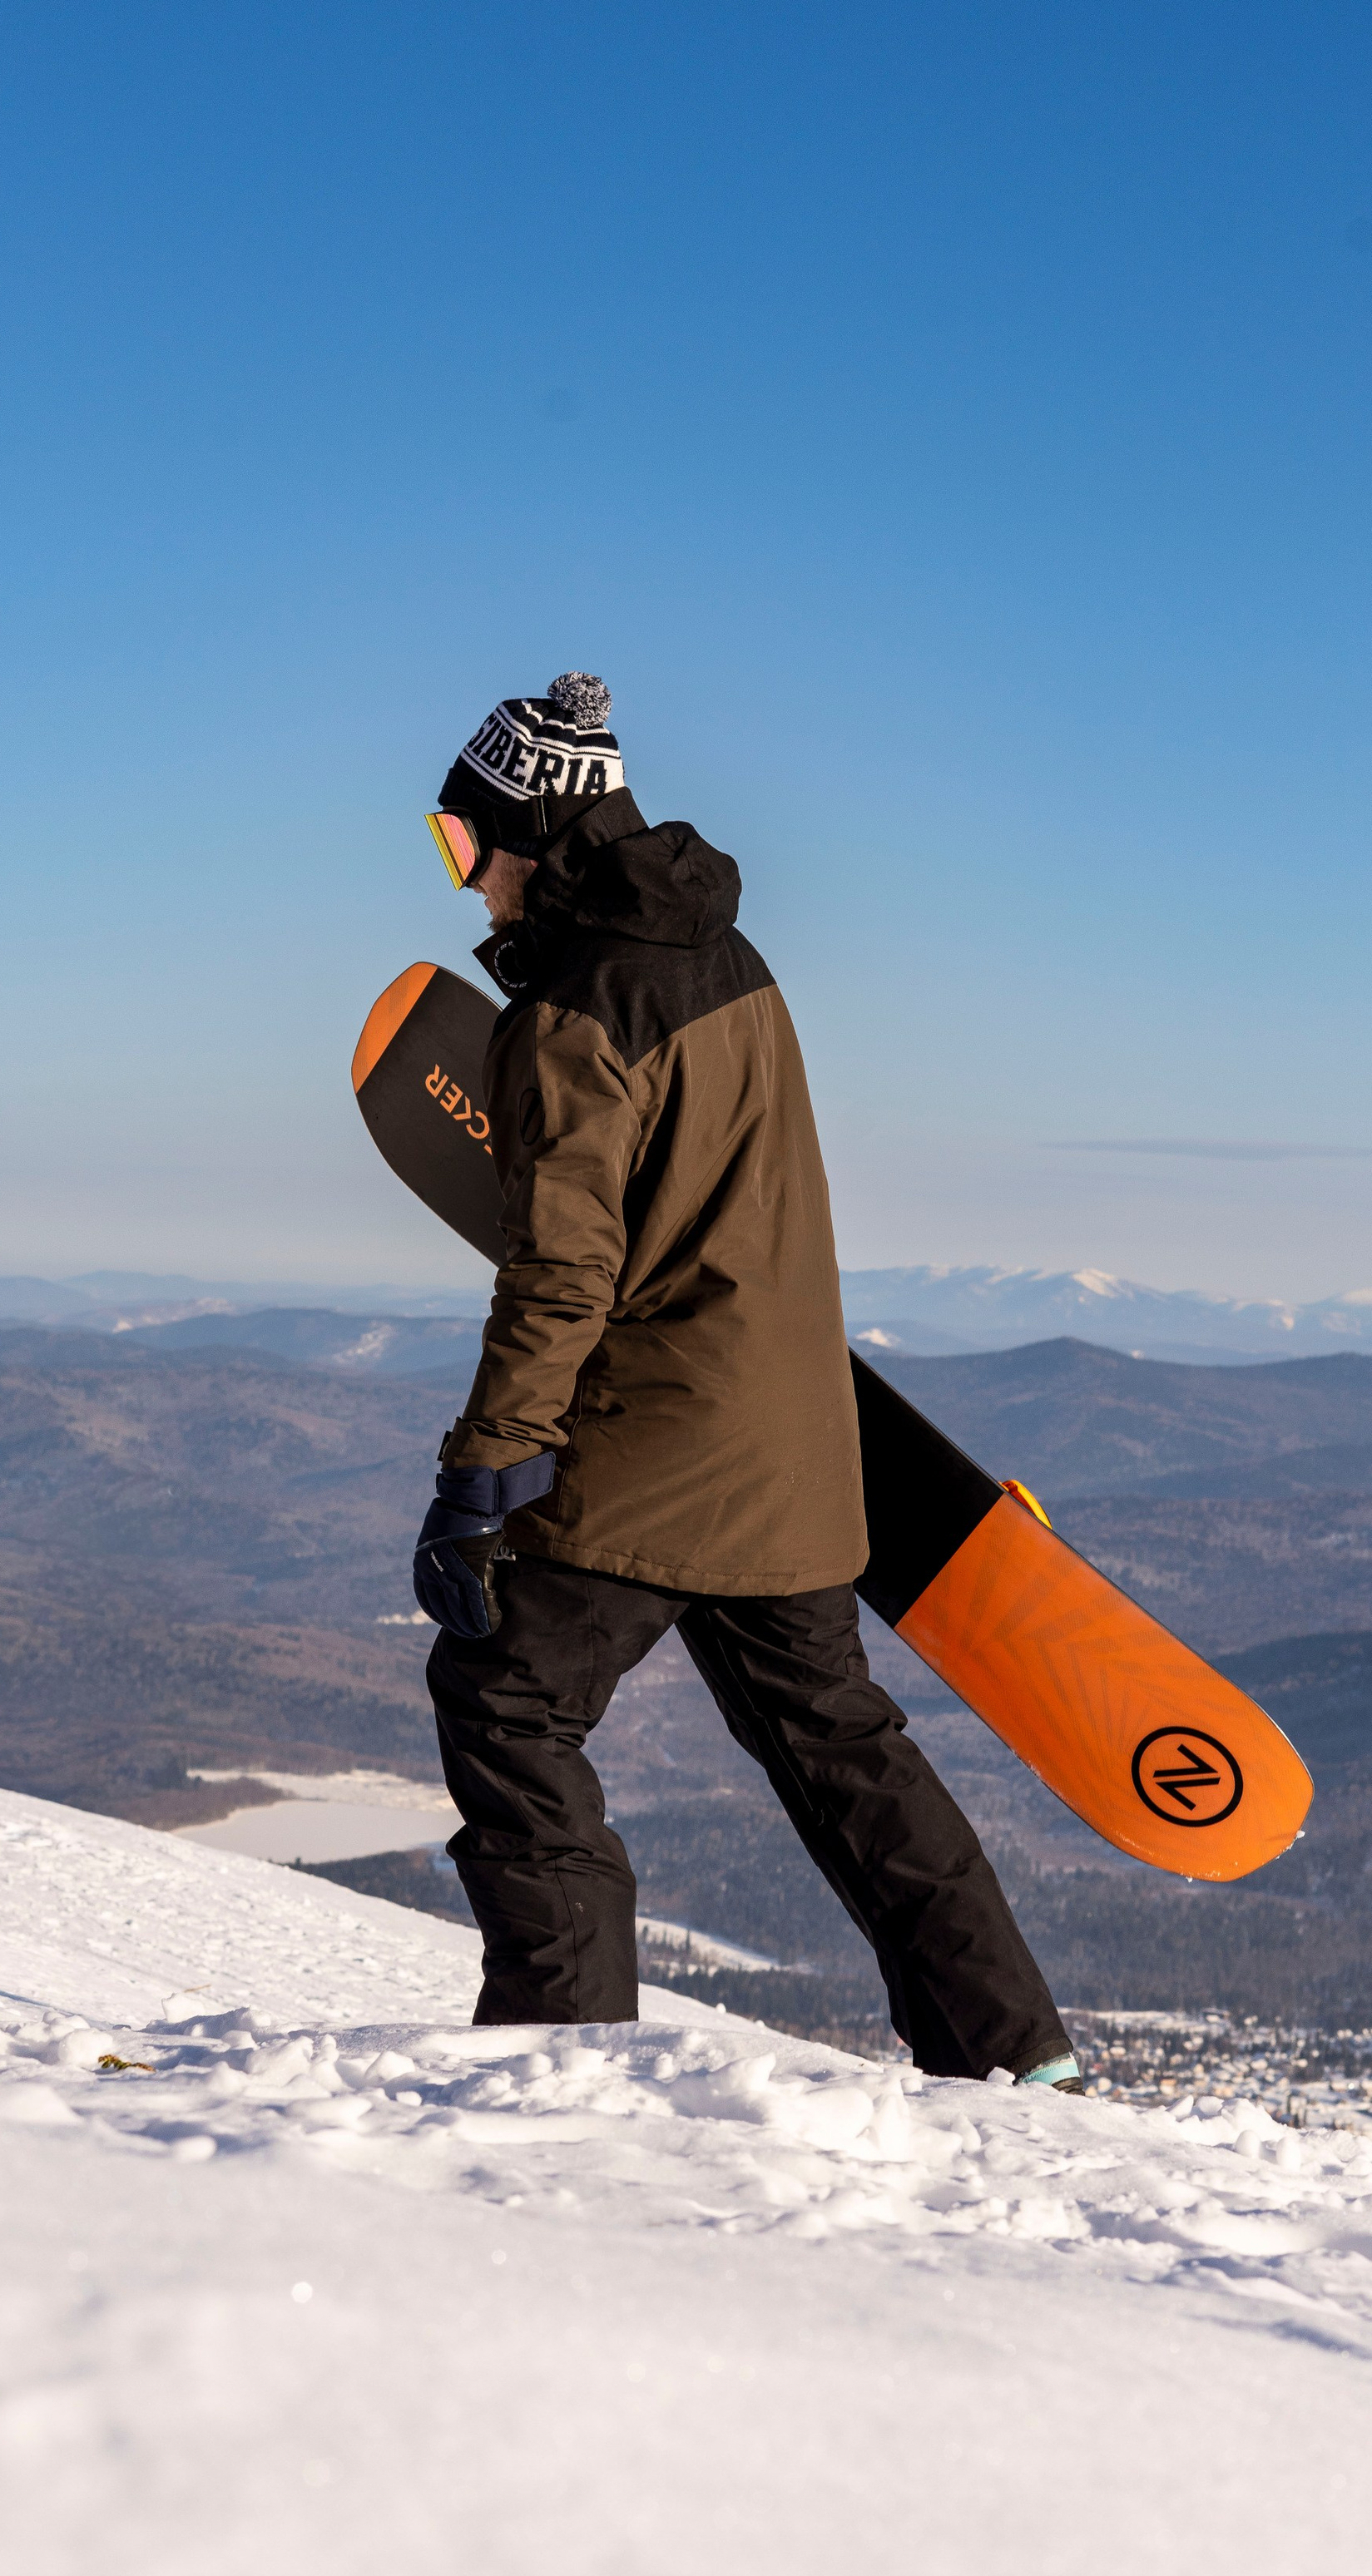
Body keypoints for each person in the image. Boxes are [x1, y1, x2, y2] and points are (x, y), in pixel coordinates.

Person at [411, 672, 1082, 2090]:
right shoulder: (737, 962)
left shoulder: (572, 1019)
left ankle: (561, 2058)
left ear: (528, 832)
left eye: (460, 845)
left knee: (506, 1699)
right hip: (797, 1451)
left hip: (658, 1448)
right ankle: (1016, 2054)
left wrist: (485, 1470)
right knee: (845, 1757)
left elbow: (562, 1273)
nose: (466, 888)